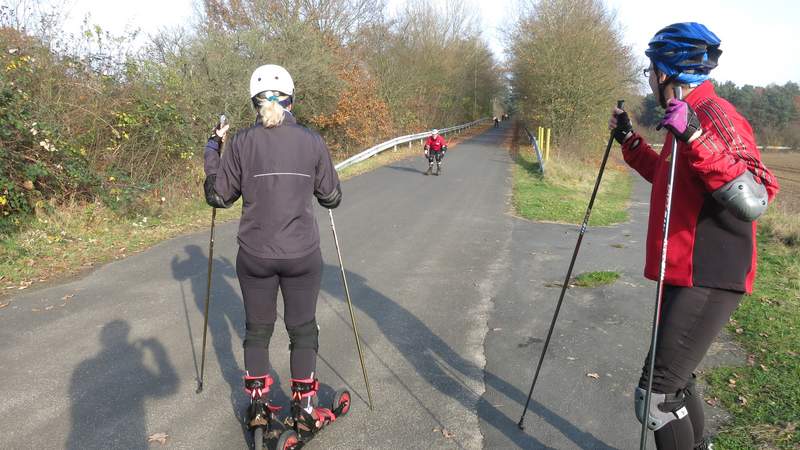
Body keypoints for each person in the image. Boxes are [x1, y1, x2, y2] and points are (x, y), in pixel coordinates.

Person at [609, 23, 779, 450]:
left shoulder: (712, 114)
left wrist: (696, 136)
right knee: (675, 385)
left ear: (665, 73)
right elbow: (671, 180)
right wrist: (630, 141)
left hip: (710, 272)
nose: (647, 80)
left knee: (657, 396)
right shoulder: (687, 113)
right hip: (687, 270)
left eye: (649, 71)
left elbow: (757, 194)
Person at [203, 64, 343, 436]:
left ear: (254, 102)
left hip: (255, 254)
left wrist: (212, 147)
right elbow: (331, 196)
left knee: (257, 329)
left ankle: (258, 407)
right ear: (291, 99)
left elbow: (219, 195)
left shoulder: (242, 143)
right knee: (302, 330)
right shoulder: (312, 140)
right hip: (301, 254)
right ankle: (305, 410)